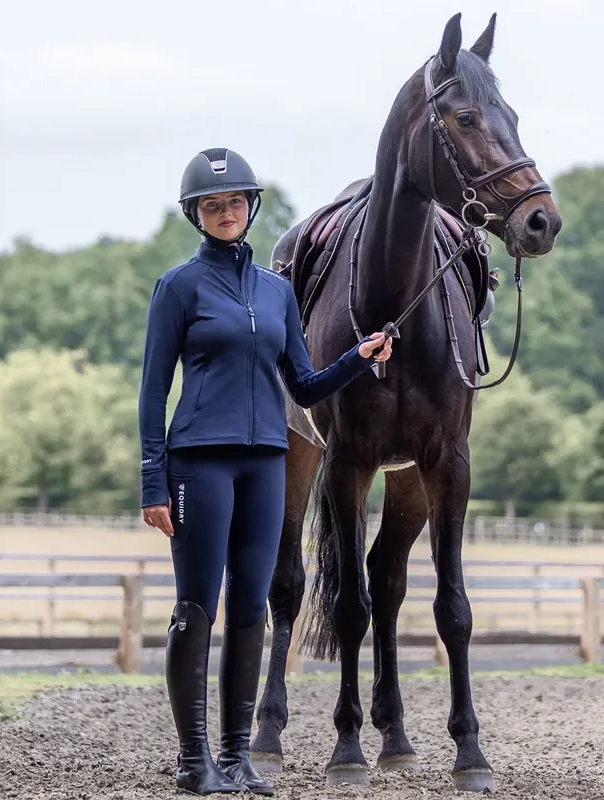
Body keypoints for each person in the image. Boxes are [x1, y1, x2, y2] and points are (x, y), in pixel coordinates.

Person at [138, 148, 392, 796]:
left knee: (253, 608)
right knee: (196, 610)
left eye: (235, 203)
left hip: (264, 464)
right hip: (200, 462)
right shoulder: (179, 288)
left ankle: (236, 757)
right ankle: (195, 760)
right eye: (212, 205)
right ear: (196, 214)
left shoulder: (278, 292)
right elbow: (151, 392)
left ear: (251, 207)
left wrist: (359, 358)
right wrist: (153, 480)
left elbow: (305, 388)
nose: (226, 213)